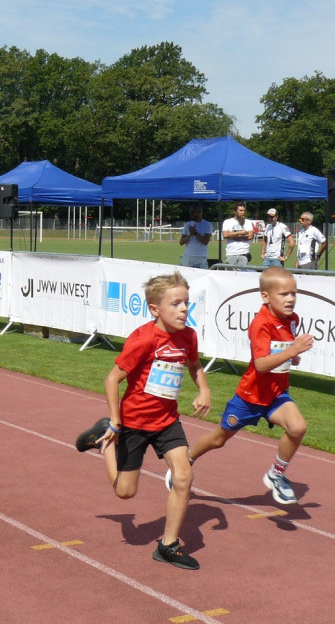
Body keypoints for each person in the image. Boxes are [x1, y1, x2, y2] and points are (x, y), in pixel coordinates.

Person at [74, 271, 211, 570]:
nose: (184, 309)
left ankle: (168, 545)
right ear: (155, 309)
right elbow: (112, 380)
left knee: (184, 477)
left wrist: (204, 389)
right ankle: (105, 442)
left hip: (167, 421)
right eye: (175, 304)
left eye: (186, 303)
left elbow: (194, 365)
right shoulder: (144, 339)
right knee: (125, 492)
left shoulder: (188, 335)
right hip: (133, 422)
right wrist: (114, 421)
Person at [168, 267, 314, 506]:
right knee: (218, 439)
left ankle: (276, 474)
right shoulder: (261, 323)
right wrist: (293, 350)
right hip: (249, 397)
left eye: (294, 294)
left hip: (276, 395)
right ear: (266, 296)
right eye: (284, 294)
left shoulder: (292, 321)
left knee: (297, 427)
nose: (290, 299)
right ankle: (187, 460)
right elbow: (262, 364)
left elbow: (279, 353)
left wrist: (291, 356)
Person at [178, 204, 213, 269]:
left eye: (194, 212)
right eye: (191, 212)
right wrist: (190, 234)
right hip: (188, 255)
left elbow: (205, 242)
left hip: (201, 256)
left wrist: (195, 233)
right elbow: (181, 242)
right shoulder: (187, 224)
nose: (192, 214)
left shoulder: (207, 225)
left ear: (200, 212)